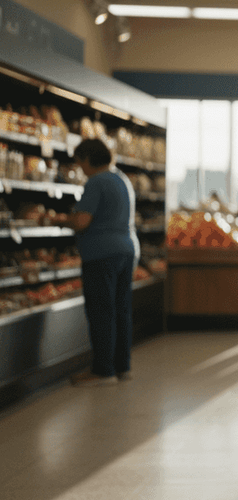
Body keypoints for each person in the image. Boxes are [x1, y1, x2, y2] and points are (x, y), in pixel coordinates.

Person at [66, 139, 139, 387]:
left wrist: (66, 218)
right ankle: (122, 366)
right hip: (126, 249)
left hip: (101, 253)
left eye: (79, 163)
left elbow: (82, 221)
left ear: (87, 159)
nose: (80, 168)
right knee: (121, 310)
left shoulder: (96, 182)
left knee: (101, 311)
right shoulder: (121, 179)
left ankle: (103, 370)